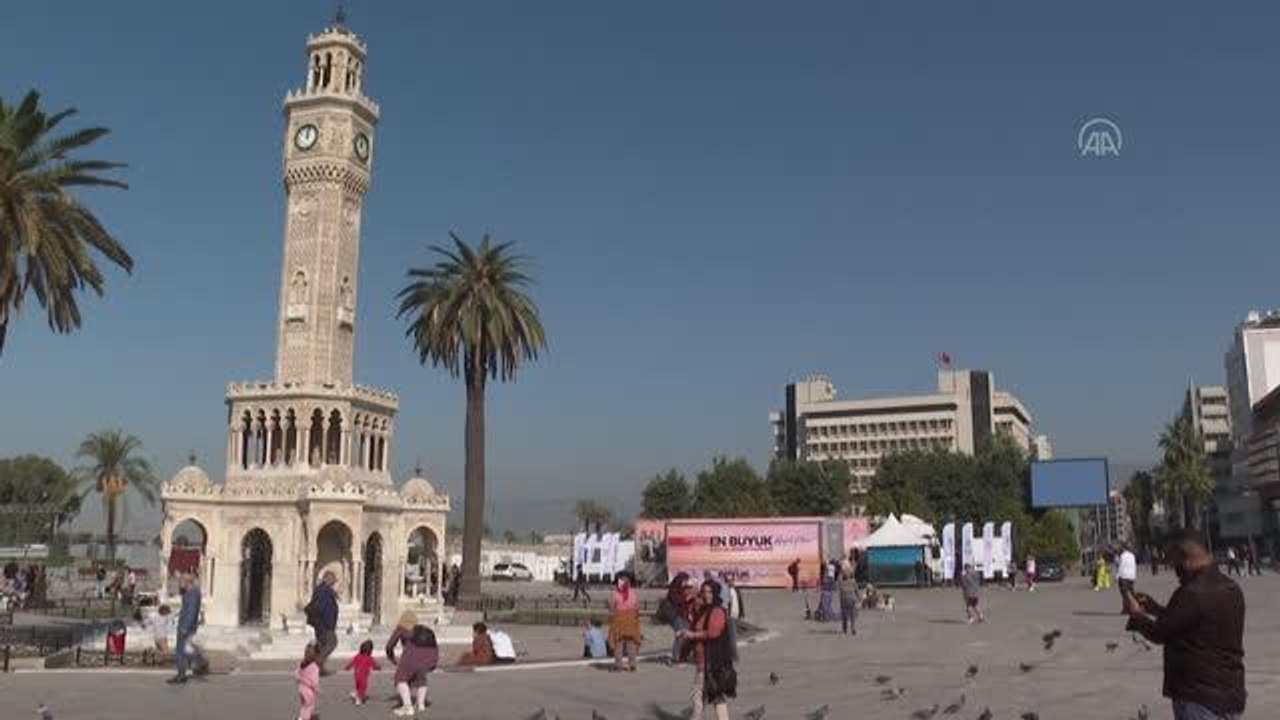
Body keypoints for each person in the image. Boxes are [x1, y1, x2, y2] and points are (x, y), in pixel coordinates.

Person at [1124, 529, 1246, 720]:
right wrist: (1155, 608)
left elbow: (1160, 633)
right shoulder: (1231, 588)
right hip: (1230, 694)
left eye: (1175, 562)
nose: (1175, 570)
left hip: (1200, 697)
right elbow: (1193, 624)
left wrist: (1137, 614)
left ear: (1187, 559)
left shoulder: (1191, 593)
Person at [677, 579, 736, 720]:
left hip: (711, 660)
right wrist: (686, 633)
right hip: (706, 659)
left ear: (715, 592)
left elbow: (713, 633)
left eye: (709, 592)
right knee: (715, 695)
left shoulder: (717, 611)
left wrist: (692, 635)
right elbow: (694, 618)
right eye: (704, 592)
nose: (706, 595)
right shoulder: (705, 610)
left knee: (698, 694)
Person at [386, 618, 439, 716]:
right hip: (431, 654)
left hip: (413, 653)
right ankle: (421, 704)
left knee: (400, 678)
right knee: (421, 677)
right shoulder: (421, 629)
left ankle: (407, 707)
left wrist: (392, 658)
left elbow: (390, 645)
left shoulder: (401, 627)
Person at [168, 573, 207, 684]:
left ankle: (182, 674)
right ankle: (191, 666)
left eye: (181, 582)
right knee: (184, 649)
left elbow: (192, 611)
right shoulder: (190, 592)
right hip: (185, 624)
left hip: (186, 626)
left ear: (187, 582)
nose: (179, 584)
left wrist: (185, 627)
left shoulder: (193, 593)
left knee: (180, 650)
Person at [306, 571, 340, 674]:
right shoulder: (323, 590)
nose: (334, 582)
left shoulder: (324, 590)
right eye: (333, 579)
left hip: (322, 624)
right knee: (332, 642)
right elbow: (322, 608)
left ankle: (319, 669)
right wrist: (327, 622)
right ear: (327, 579)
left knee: (322, 645)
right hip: (324, 624)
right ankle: (317, 665)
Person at [608, 572, 642, 672]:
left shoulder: (614, 594)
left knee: (618, 643)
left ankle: (618, 665)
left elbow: (611, 607)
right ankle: (632, 664)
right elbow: (637, 607)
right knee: (631, 643)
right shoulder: (633, 593)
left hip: (619, 620)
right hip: (631, 620)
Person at [660, 573, 690, 663]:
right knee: (680, 634)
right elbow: (676, 601)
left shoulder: (683, 589)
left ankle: (681, 655)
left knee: (685, 634)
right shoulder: (674, 589)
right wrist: (686, 598)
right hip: (675, 615)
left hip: (682, 615)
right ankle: (676, 655)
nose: (686, 583)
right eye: (685, 581)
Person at [345, 639, 381, 706]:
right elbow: (375, 666)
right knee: (363, 687)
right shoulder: (369, 658)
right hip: (363, 676)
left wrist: (347, 667)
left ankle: (357, 694)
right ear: (370, 650)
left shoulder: (357, 656)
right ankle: (358, 699)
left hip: (356, 674)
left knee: (358, 686)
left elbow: (351, 663)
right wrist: (379, 668)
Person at [294, 642, 321, 720]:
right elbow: (314, 682)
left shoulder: (301, 664)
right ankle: (302, 718)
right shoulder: (314, 667)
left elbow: (296, 676)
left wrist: (302, 679)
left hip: (301, 689)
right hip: (309, 691)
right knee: (309, 706)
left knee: (305, 706)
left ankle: (306, 717)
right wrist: (317, 689)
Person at [837, 566, 859, 636]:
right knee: (852, 616)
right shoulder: (853, 581)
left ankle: (845, 630)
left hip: (844, 600)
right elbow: (857, 591)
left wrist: (840, 574)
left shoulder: (841, 582)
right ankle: (853, 628)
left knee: (844, 616)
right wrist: (859, 599)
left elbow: (837, 584)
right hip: (852, 600)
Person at [1118, 545, 1138, 610]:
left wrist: (1117, 576)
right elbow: (1134, 566)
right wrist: (1134, 576)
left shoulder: (1122, 556)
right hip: (1131, 576)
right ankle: (1125, 608)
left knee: (1125, 593)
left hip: (1124, 576)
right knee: (1129, 591)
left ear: (1123, 549)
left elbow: (1121, 566)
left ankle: (1136, 605)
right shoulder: (1132, 555)